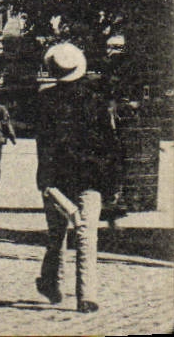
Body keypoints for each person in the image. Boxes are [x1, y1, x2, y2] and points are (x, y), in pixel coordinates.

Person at [33, 43, 118, 313]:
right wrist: (113, 182)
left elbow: (43, 143)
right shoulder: (97, 100)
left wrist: (44, 180)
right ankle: (87, 296)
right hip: (90, 176)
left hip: (57, 178)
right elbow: (111, 143)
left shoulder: (45, 99)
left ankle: (51, 283)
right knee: (86, 235)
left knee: (56, 235)